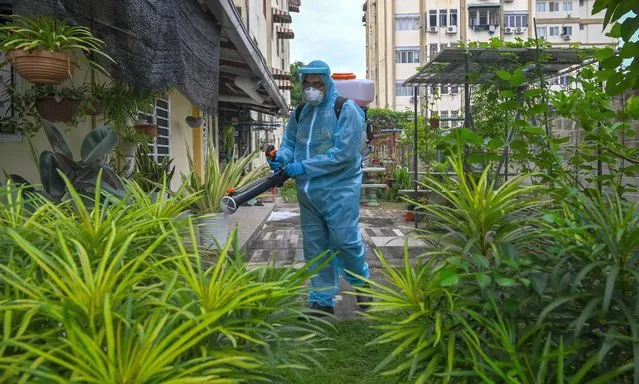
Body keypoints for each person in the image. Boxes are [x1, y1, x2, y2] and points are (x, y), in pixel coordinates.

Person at [267, 60, 371, 316]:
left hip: (340, 189)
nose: (312, 88)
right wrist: (282, 157)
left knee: (344, 240)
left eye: (317, 83)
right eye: (308, 84)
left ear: (327, 83)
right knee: (315, 245)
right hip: (308, 192)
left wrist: (304, 166)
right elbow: (291, 142)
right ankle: (323, 299)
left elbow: (344, 154)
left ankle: (362, 283)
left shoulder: (345, 109)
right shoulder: (301, 112)